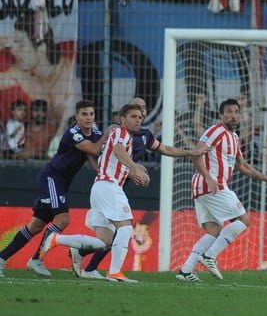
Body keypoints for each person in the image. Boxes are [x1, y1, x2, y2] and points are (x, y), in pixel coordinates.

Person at [61, 103, 207, 282]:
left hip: (111, 183)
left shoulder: (144, 135)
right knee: (125, 228)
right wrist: (134, 169)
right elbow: (115, 151)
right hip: (109, 184)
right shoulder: (119, 131)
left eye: (142, 112)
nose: (139, 116)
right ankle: (113, 271)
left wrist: (190, 151)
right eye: (135, 114)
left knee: (106, 238)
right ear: (123, 118)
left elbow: (166, 149)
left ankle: (71, 250)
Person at [176, 98, 267, 282]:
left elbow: (242, 166)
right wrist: (209, 178)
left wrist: (266, 178)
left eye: (236, 112)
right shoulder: (215, 131)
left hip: (205, 187)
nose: (233, 115)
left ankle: (186, 270)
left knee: (214, 231)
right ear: (221, 115)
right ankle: (210, 256)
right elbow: (196, 155)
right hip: (211, 185)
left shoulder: (234, 138)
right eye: (229, 111)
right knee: (244, 220)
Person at [0, 101, 105, 278]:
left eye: (91, 114)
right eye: (84, 114)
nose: (88, 118)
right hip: (52, 177)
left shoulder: (95, 134)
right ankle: (37, 259)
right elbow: (95, 149)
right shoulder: (73, 133)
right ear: (77, 117)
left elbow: (94, 159)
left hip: (61, 183)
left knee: (36, 225)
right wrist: (109, 133)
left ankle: (2, 258)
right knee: (63, 219)